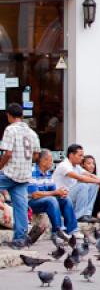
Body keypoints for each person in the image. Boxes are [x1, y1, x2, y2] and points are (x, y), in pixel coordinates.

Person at [0, 102, 41, 248]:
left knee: (20, 206)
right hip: (24, 175)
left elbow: (8, 153)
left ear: (9, 116)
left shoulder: (10, 130)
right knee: (21, 207)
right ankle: (20, 240)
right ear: (22, 115)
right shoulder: (32, 132)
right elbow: (36, 155)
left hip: (10, 173)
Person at [53, 144, 100, 223]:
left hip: (69, 196)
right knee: (83, 185)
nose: (82, 158)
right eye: (80, 155)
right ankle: (79, 216)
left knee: (93, 184)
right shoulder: (64, 166)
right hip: (61, 198)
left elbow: (90, 175)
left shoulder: (76, 166)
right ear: (71, 155)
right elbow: (81, 178)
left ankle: (87, 214)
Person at [28, 149, 78, 241]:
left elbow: (54, 191)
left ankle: (71, 231)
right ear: (43, 161)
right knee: (51, 200)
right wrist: (55, 193)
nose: (52, 162)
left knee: (65, 199)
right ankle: (57, 232)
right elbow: (35, 195)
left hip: (45, 200)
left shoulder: (47, 173)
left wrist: (61, 193)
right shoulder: (32, 172)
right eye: (50, 160)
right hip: (31, 203)